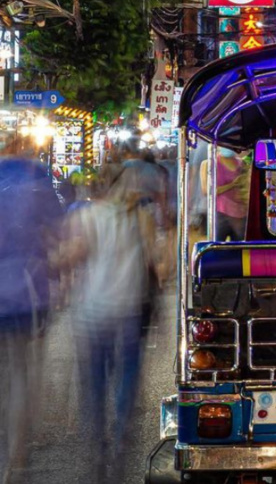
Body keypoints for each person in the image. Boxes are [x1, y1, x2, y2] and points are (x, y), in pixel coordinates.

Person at [68, 164, 158, 475]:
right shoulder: (141, 218)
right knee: (126, 376)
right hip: (127, 308)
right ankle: (120, 434)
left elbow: (75, 254)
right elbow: (154, 262)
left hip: (94, 309)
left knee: (95, 380)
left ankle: (97, 440)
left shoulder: (87, 216)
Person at [0, 134, 63, 483]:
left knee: (7, 374)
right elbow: (57, 228)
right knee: (21, 372)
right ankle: (16, 455)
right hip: (26, 290)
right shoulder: (37, 176)